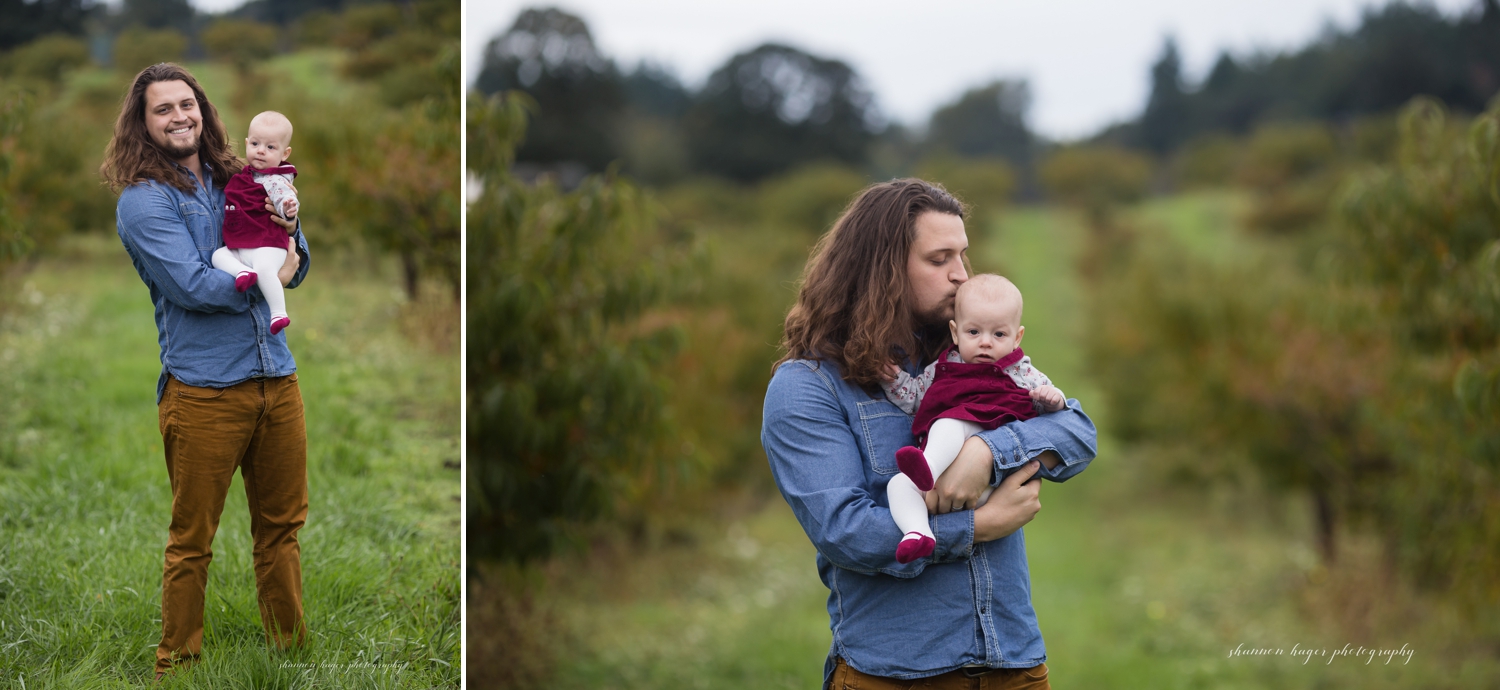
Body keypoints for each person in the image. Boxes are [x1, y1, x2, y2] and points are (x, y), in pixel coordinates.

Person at [761, 179, 1096, 689]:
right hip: (898, 675)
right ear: (883, 271)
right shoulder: (806, 388)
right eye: (940, 260)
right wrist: (977, 526)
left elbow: (1076, 431)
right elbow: (846, 532)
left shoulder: (969, 354)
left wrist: (985, 452)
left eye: (962, 255)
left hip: (1015, 664)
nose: (962, 275)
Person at [101, 63, 311, 680]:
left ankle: (289, 655)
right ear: (142, 123)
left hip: (277, 376)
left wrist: (289, 239)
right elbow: (193, 286)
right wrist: (271, 277)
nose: (179, 116)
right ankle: (179, 665)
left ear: (203, 109)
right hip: (204, 392)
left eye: (186, 103)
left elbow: (297, 253)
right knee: (193, 539)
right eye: (162, 108)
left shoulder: (241, 175)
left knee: (282, 529)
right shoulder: (144, 201)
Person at [882, 273, 1068, 564]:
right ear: (955, 333)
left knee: (949, 423)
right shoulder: (943, 367)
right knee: (898, 485)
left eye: (999, 335)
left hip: (987, 480)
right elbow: (914, 395)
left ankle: (928, 467)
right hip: (941, 487)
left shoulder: (1019, 369)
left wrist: (1053, 398)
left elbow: (1052, 398)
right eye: (974, 332)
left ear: (1017, 337)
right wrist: (893, 378)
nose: (985, 343)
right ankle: (917, 532)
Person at [210, 110, 300, 335]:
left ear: (285, 153)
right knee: (218, 256)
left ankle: (279, 313)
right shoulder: (245, 176)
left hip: (268, 244)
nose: (261, 150)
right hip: (243, 245)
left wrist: (289, 209)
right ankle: (242, 272)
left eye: (270, 147)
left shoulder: (275, 179)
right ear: (247, 143)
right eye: (256, 144)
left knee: (264, 269)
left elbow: (283, 197)